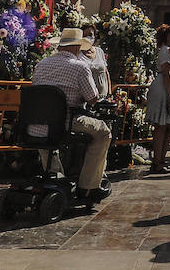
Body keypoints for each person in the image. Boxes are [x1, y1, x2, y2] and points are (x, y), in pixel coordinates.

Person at [30, 28, 111, 201]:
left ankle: (56, 176)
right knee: (104, 133)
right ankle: (88, 186)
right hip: (66, 122)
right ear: (76, 48)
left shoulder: (42, 64)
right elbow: (93, 98)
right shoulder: (80, 67)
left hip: (35, 122)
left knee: (45, 135)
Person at [146, 24, 170, 174]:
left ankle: (160, 159)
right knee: (162, 126)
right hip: (164, 89)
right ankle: (157, 161)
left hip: (169, 87)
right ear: (168, 37)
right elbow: (166, 73)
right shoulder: (166, 51)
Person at [82, 22, 111, 99]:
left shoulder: (99, 51)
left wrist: (110, 93)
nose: (88, 38)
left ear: (95, 36)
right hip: (88, 98)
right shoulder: (78, 54)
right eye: (85, 36)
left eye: (90, 35)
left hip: (103, 96)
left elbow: (106, 72)